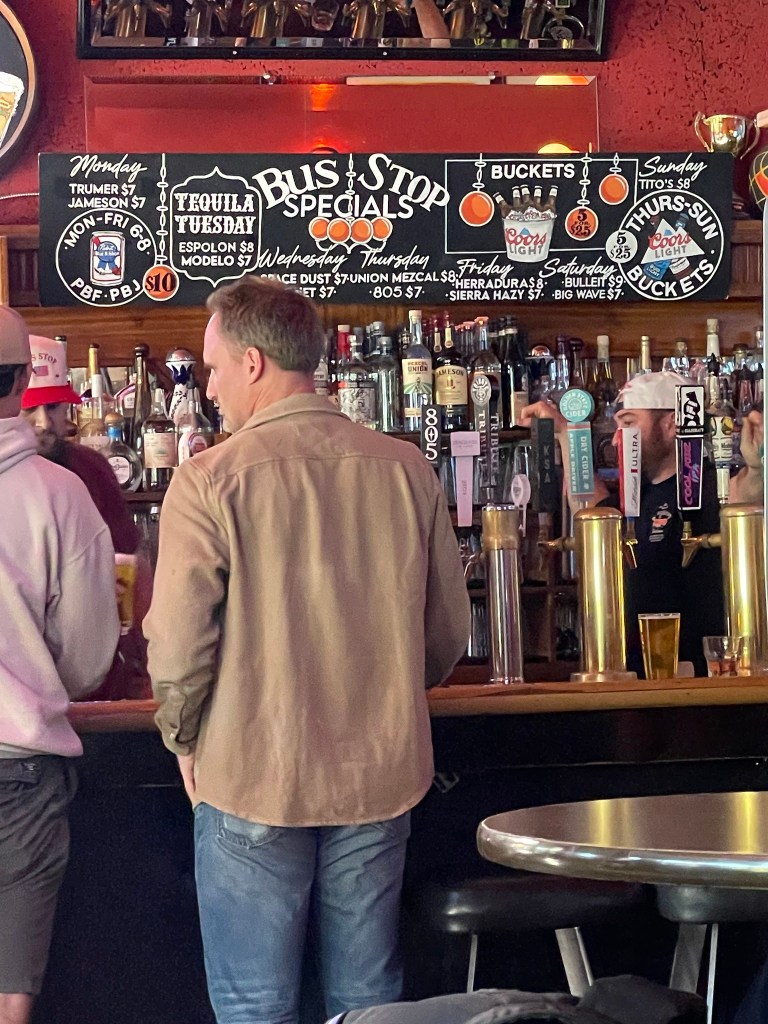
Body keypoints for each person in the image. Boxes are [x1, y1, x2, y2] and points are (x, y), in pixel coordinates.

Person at [144, 277, 470, 1024]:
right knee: (367, 1003)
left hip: (251, 771)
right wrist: (384, 696)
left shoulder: (208, 480)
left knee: (256, 1007)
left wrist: (184, 740)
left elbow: (178, 645)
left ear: (254, 363)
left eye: (215, 368)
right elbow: (448, 630)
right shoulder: (407, 469)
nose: (212, 387)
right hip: (379, 774)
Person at [0, 307, 120, 1024]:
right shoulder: (60, 496)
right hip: (18, 770)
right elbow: (86, 661)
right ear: (19, 384)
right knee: (10, 992)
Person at [522, 371, 729, 677]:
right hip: (633, 676)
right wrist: (566, 433)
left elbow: (748, 492)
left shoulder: (711, 488)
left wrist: (754, 465)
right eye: (619, 424)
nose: (618, 437)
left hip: (695, 681)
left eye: (630, 423)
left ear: (672, 424)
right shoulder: (637, 496)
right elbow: (591, 513)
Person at [20, 335, 152, 699]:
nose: (44, 423)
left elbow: (131, 564)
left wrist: (142, 654)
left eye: (53, 408)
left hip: (101, 676)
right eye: (30, 409)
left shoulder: (91, 467)